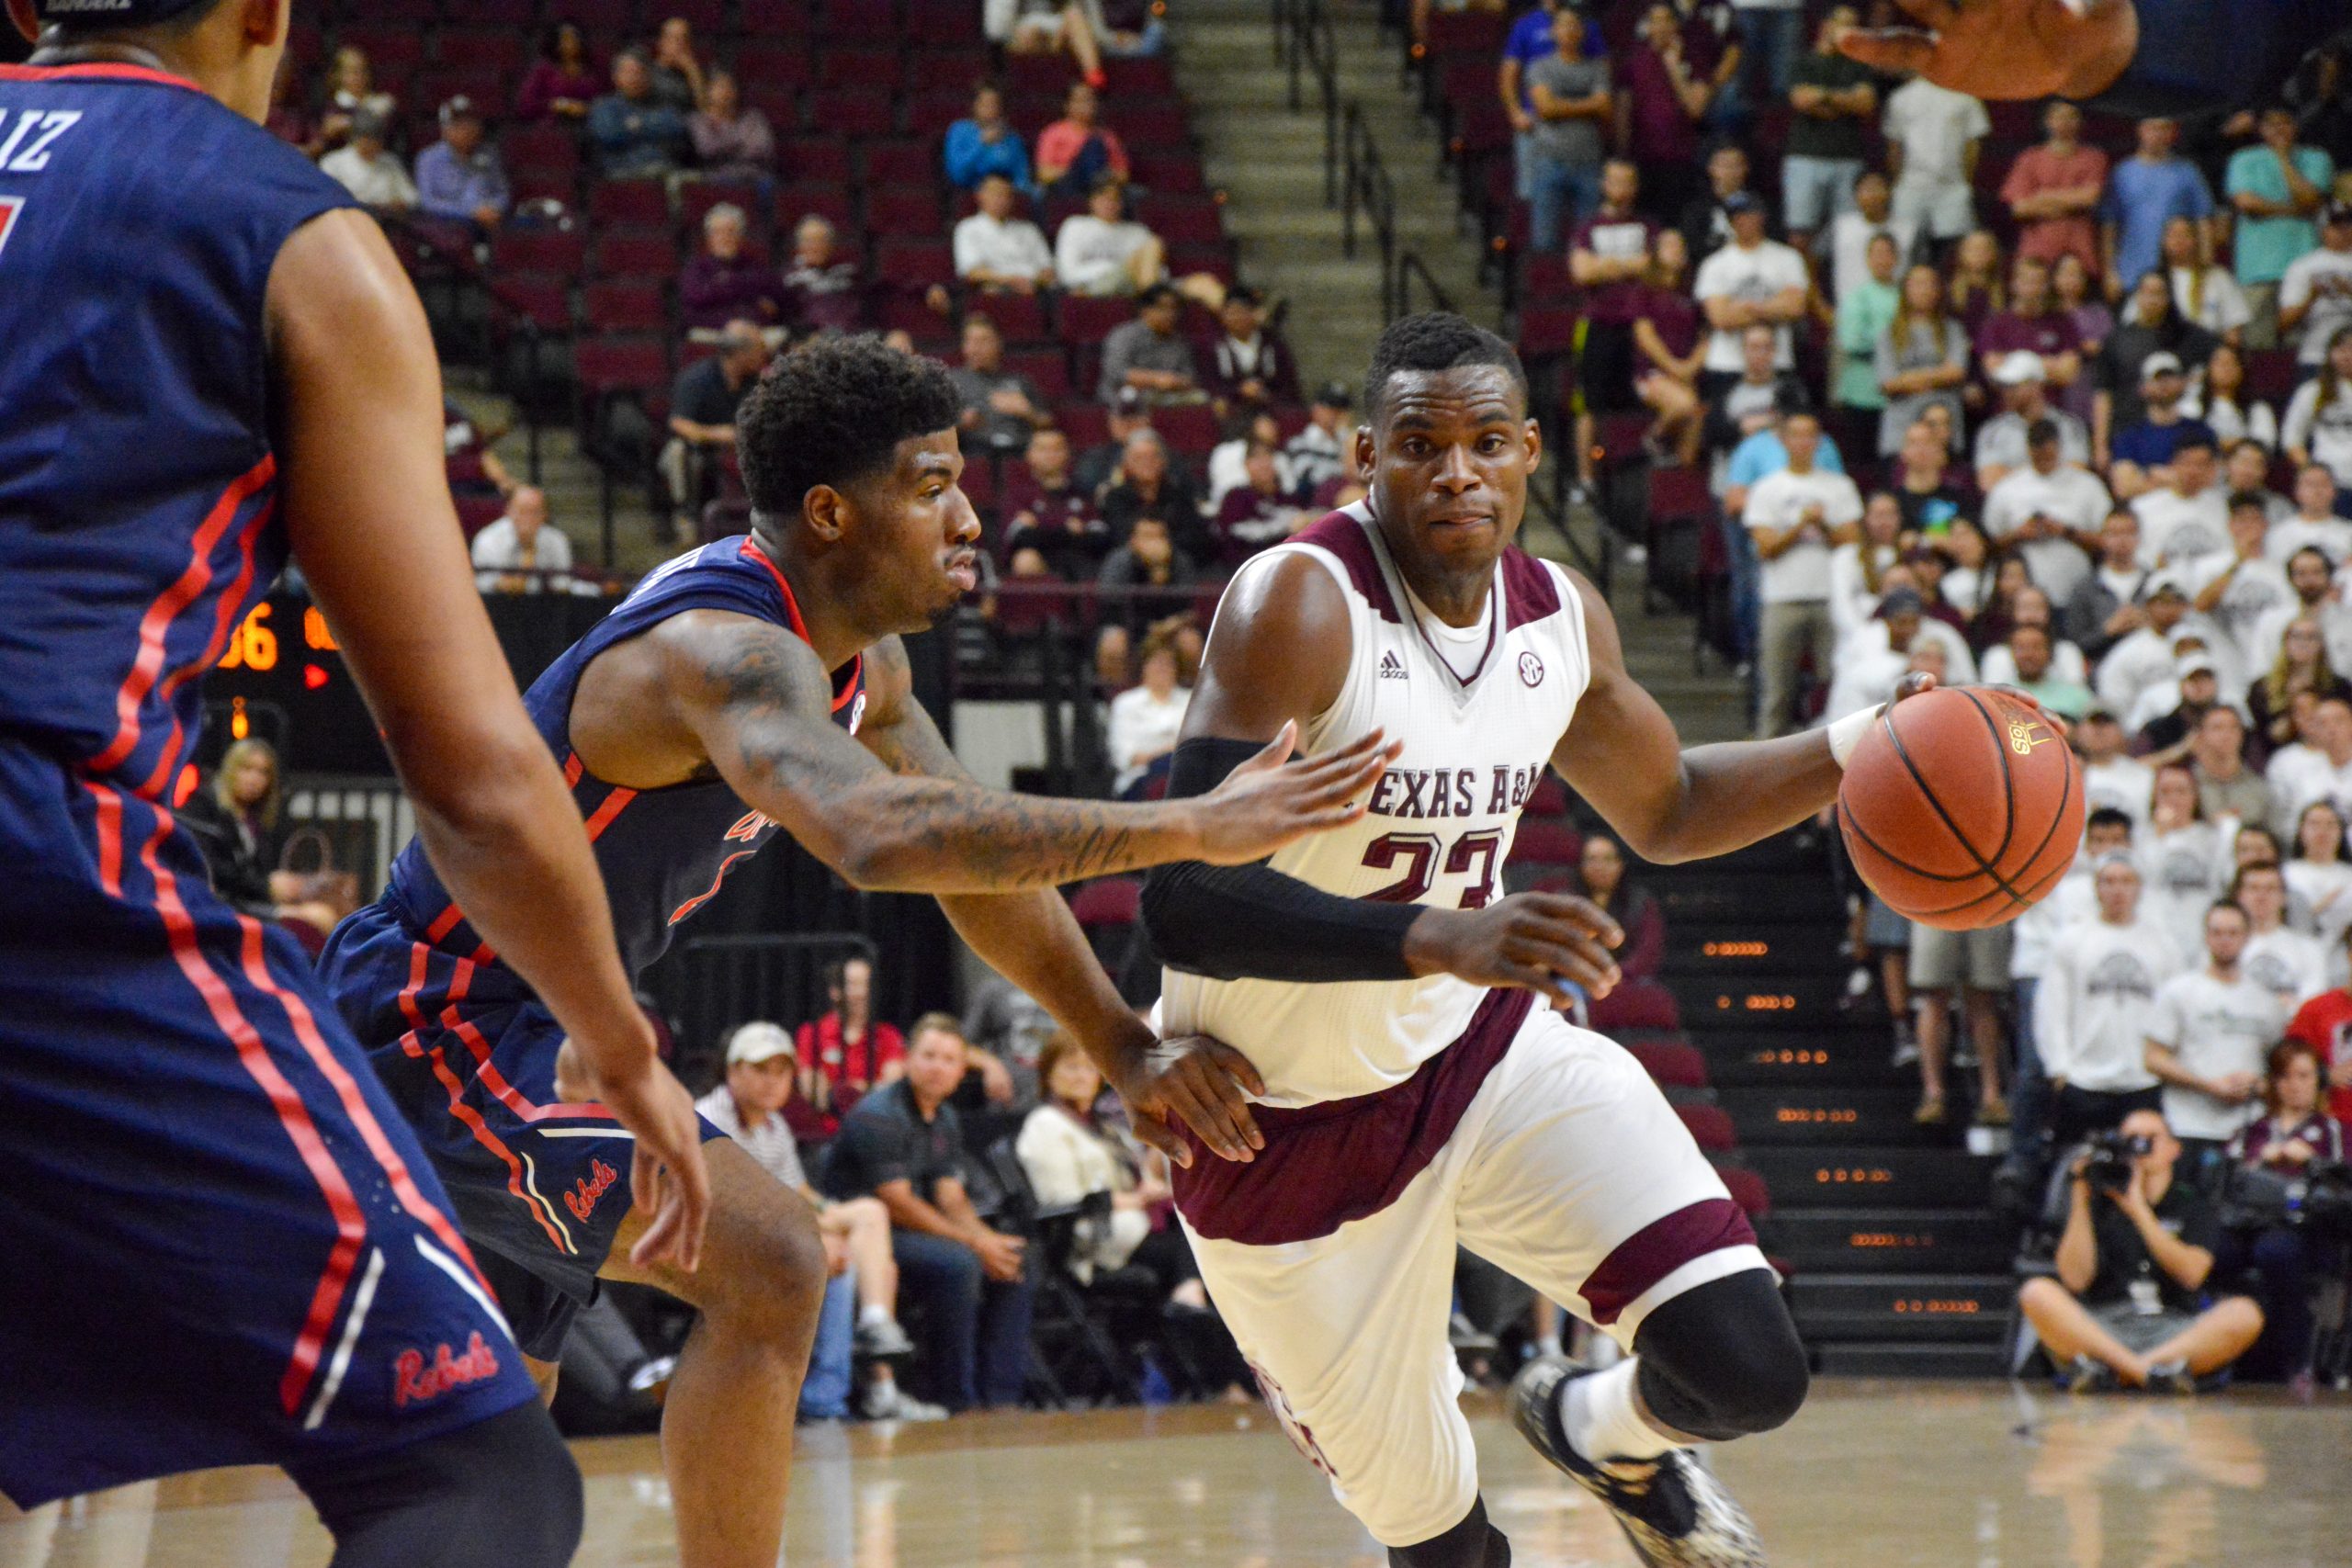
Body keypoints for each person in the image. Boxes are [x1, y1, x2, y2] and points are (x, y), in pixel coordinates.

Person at [322, 337, 1389, 1563]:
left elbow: (962, 856)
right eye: (931, 482)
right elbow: (879, 836)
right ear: (832, 512)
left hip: (536, 1035)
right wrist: (1194, 822)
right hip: (441, 1012)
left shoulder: (860, 668)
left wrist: (1122, 1043)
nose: (968, 512)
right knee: (774, 1259)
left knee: (486, 1480)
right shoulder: (721, 650)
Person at [0, 2, 713, 1557]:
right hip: (39, 856)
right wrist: (619, 1041)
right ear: (266, 12)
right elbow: (467, 769)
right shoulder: (282, 228)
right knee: (474, 1475)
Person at [1137, 312, 2004, 1568]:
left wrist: (1858, 741)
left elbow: (1672, 808)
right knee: (1449, 1554)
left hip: (1475, 1055)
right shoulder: (1301, 604)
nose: (1457, 471)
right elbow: (1182, 895)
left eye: (1488, 441)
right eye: (1422, 443)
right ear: (1363, 453)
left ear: (1531, 452)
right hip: (1272, 1129)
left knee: (1747, 1363)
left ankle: (1602, 1426)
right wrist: (1443, 933)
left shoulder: (1561, 620)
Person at [694, 1022, 940, 1422]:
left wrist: (828, 1217)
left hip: (767, 1227)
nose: (773, 1082)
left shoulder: (774, 1126)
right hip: (715, 1239)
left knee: (868, 1217)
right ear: (732, 1071)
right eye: (761, 1070)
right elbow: (728, 1206)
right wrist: (813, 1237)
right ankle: (838, 1396)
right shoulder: (710, 1118)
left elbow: (799, 1192)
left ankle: (877, 1327)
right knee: (834, 1263)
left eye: (782, 1072)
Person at [820, 1018, 1034, 1412]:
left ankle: (1001, 1395)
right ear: (907, 1060)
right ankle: (954, 1396)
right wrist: (974, 1244)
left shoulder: (945, 1117)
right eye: (929, 1056)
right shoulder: (878, 1114)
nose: (938, 1067)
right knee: (960, 1264)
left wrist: (988, 1240)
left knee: (1018, 1257)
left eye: (949, 1059)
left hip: (913, 1227)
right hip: (866, 1234)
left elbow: (950, 1198)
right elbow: (898, 1203)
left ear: (960, 1071)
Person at [2015, 1108, 2264, 1393]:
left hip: (2173, 1329)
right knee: (2036, 1292)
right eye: (2131, 1140)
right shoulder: (2097, 1200)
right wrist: (2080, 1200)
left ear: (2174, 1149)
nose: (2141, 1148)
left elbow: (2192, 1275)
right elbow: (2075, 1279)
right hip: (2104, 1327)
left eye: (2151, 1139)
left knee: (2245, 1313)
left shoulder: (2194, 1204)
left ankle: (2117, 1372)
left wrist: (2138, 1210)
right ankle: (2150, 1374)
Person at [2216, 1039, 2341, 1393]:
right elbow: (2229, 1178)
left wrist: (2312, 1162)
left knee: (2276, 1253)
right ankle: (2217, 1350)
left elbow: (2342, 1186)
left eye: (2303, 1075)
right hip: (2249, 1220)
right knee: (2212, 1252)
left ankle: (2295, 1359)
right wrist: (2261, 1162)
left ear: (2318, 1080)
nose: (2295, 1085)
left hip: (2302, 1224)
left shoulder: (2331, 1132)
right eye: (2285, 1076)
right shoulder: (2252, 1131)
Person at [2037, 850, 2177, 1147]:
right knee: (2076, 1170)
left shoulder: (2162, 944)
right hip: (2084, 1080)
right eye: (2109, 881)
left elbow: (2175, 1011)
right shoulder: (2072, 940)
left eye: (2126, 881)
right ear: (2096, 888)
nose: (2117, 889)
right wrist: (2059, 1069)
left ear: (2139, 887)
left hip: (2143, 1081)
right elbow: (2052, 1007)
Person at [2143, 900, 2287, 1174]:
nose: (2224, 940)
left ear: (2247, 936)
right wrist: (2208, 1085)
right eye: (2217, 932)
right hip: (2187, 1124)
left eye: (2233, 933)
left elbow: (2280, 1069)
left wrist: (2257, 1085)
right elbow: (2152, 1058)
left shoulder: (2267, 1002)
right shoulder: (2179, 991)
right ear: (2206, 936)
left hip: (2248, 1128)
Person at [1747, 411, 1864, 736]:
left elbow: (1852, 539)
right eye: (1795, 435)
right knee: (1776, 691)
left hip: (1832, 598)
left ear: (1819, 441)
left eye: (1809, 435)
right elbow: (1765, 547)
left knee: (1834, 687)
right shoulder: (1767, 488)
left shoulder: (1839, 486)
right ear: (1784, 441)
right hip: (1781, 598)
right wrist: (1801, 524)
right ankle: (1765, 762)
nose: (1803, 442)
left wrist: (1822, 524)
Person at [177, 736, 348, 937]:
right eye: (246, 769)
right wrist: (267, 886)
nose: (254, 779)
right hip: (218, 905)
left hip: (247, 901)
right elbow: (213, 869)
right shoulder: (202, 807)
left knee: (326, 915)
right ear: (231, 770)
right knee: (318, 918)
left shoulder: (255, 818)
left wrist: (280, 885)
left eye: (263, 772)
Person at [2225, 105, 2335, 347]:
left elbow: (2309, 200)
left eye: (2284, 123)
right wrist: (2294, 211)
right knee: (2258, 344)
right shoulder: (2244, 159)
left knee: (2305, 344)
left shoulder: (2317, 158)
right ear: (2261, 129)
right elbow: (2247, 203)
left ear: (2295, 126)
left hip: (2304, 265)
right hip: (2257, 269)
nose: (2278, 130)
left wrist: (2284, 158)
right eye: (2271, 125)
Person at [661, 321, 769, 540]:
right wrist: (719, 434)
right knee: (677, 453)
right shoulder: (696, 378)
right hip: (699, 449)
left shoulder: (757, 382)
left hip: (743, 447)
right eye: (759, 349)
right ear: (740, 353)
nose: (764, 355)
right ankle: (685, 518)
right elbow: (679, 423)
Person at [1780, 6, 1874, 254]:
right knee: (1800, 234)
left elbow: (1865, 103)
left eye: (1854, 26)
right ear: (1825, 26)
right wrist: (1844, 100)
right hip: (1805, 156)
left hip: (1847, 158)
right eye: (1843, 24)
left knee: (1847, 234)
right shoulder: (1803, 61)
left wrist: (1822, 97)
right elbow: (1800, 99)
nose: (1848, 32)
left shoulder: (1860, 66)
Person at [1692, 191, 1808, 389]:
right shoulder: (1714, 264)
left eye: (1749, 214)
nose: (1743, 221)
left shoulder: (1788, 258)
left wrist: (1746, 307)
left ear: (1761, 216)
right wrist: (1774, 308)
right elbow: (1720, 318)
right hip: (1727, 364)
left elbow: (1795, 308)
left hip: (1777, 361)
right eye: (1736, 216)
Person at [1522, 7, 1613, 254]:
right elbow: (1545, 108)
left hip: (1589, 161)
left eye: (1575, 25)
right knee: (1544, 242)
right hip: (1550, 160)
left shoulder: (1597, 67)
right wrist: (1587, 104)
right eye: (1564, 25)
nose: (1570, 30)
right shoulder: (1539, 67)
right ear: (1554, 31)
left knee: (1589, 243)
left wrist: (1562, 105)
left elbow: (1605, 107)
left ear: (1582, 31)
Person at [2100, 118, 2217, 303]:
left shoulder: (2187, 171)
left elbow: (2203, 220)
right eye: (2153, 128)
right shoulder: (2122, 173)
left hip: (2179, 275)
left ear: (2172, 134)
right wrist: (2110, 272)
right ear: (2140, 131)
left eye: (2164, 129)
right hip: (2131, 274)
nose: (2158, 134)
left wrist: (2206, 267)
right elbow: (2109, 225)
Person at [793, 954, 906, 1137]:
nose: (862, 993)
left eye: (867, 984)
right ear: (835, 990)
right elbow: (816, 1096)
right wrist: (870, 1089)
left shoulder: (889, 1036)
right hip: (826, 1137)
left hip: (878, 1134)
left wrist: (841, 1092)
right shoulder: (811, 1033)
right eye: (853, 984)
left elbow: (891, 1095)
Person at [2002, 99, 2109, 277]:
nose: (2065, 122)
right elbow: (2019, 208)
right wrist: (2072, 204)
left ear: (2081, 122)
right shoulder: (2029, 158)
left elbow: (2090, 199)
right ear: (2047, 121)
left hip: (2079, 252)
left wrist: (2043, 195)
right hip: (2036, 253)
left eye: (2071, 116)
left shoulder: (2094, 158)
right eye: (2059, 116)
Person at [1882, 69, 1987, 248]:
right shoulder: (1901, 97)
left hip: (1952, 186)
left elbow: (1973, 145)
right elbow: (1894, 147)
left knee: (1954, 249)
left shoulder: (1965, 96)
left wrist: (1964, 181)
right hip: (1911, 185)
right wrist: (1898, 181)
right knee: (1904, 246)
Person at [1875, 263, 1969, 459]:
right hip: (1900, 432)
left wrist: (1910, 379)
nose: (1924, 290)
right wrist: (1937, 376)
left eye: (1930, 284)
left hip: (1946, 431)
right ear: (1905, 290)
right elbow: (1889, 382)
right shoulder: (1888, 334)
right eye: (1917, 284)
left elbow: (1956, 372)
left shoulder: (1953, 330)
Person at [1002, 425, 1112, 580]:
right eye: (1043, 449)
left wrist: (1039, 525)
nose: (1050, 455)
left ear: (1068, 454)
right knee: (1026, 559)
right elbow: (1022, 538)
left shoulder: (1083, 493)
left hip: (1079, 565)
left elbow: (1100, 538)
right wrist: (1069, 529)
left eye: (1057, 449)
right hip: (1042, 565)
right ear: (1030, 454)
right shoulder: (1018, 494)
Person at [948, 313, 1047, 457]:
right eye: (971, 341)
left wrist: (1028, 412)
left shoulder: (1019, 381)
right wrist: (960, 423)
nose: (977, 348)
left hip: (1019, 452)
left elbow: (1047, 424)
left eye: (983, 341)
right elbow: (930, 433)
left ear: (997, 343)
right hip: (975, 454)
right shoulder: (950, 382)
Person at [2230, 861, 2327, 1006]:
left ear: (2284, 897)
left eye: (2270, 889)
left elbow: (2313, 1003)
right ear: (2239, 896)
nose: (2261, 896)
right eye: (2253, 888)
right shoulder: (2224, 945)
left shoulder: (2309, 948)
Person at [1108, 630, 1192, 797]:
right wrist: (1167, 752)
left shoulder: (1191, 700)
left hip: (1185, 778)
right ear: (1144, 667)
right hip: (1140, 781)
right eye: (1156, 663)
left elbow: (1197, 747)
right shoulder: (1125, 703)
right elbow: (1126, 758)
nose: (1162, 669)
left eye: (1168, 663)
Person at [1054, 174, 1164, 299]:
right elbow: (1067, 273)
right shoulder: (1075, 225)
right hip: (1093, 285)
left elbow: (1158, 273)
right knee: (1153, 245)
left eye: (1115, 198)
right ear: (1091, 200)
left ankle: (1151, 302)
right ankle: (1152, 303)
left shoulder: (1138, 231)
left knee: (1156, 244)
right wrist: (1113, 270)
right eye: (1103, 197)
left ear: (1123, 203)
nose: (1109, 203)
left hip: (1134, 286)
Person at [680, 203, 782, 338]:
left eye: (731, 232)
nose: (724, 238)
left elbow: (774, 299)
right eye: (718, 232)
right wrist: (747, 293)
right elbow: (695, 303)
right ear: (709, 238)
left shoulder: (755, 266)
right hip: (712, 331)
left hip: (753, 329)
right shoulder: (696, 269)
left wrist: (724, 285)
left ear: (741, 237)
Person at [413, 96, 508, 237]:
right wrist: (470, 212)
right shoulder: (428, 158)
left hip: (488, 222)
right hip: (449, 226)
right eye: (458, 124)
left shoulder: (489, 154)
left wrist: (493, 209)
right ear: (445, 130)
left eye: (471, 122)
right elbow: (428, 202)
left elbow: (502, 192)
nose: (467, 129)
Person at [587, 51, 689, 180]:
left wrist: (638, 124)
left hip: (665, 171)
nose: (635, 78)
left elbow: (676, 128)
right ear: (616, 77)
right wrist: (653, 125)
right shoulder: (604, 107)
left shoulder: (663, 104)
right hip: (622, 174)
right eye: (629, 72)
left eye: (640, 72)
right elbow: (610, 134)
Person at [1098, 284, 1204, 407]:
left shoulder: (1179, 342)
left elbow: (1189, 377)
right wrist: (1155, 379)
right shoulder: (1124, 335)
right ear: (1145, 310)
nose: (1170, 314)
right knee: (1129, 395)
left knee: (1201, 399)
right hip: (1124, 398)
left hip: (1167, 397)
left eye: (1174, 309)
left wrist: (1176, 382)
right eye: (1163, 308)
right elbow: (1115, 372)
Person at [2278, 203, 2352, 371]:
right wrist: (2312, 296)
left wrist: (2347, 291)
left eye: (2348, 224)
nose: (2344, 230)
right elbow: (2283, 323)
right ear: (2323, 229)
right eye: (2337, 226)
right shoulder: (2304, 266)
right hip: (2315, 356)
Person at [953, 173, 1055, 296]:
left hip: (1035, 289)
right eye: (996, 194)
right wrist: (1011, 281)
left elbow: (1047, 269)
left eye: (1007, 195)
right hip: (997, 289)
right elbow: (972, 272)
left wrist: (1034, 282)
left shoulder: (1029, 229)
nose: (1001, 200)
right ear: (980, 196)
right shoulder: (968, 228)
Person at [1204, 287, 1302, 412]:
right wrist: (1239, 391)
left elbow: (1289, 386)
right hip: (1233, 413)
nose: (1236, 318)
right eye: (1231, 313)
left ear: (1253, 313)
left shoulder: (1272, 344)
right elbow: (1210, 386)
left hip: (1270, 411)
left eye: (1241, 312)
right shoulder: (1213, 347)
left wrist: (1265, 396)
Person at [2281, 324, 2352, 491]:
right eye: (2341, 349)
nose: (2347, 355)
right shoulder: (2312, 391)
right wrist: (2312, 471)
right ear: (2330, 354)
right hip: (2329, 484)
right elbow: (2291, 438)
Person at [470, 485, 575, 596]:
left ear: (545, 515)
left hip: (545, 607)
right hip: (498, 607)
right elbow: (489, 587)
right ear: (508, 511)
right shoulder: (488, 539)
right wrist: (528, 551)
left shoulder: (557, 540)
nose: (527, 518)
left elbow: (563, 587)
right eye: (522, 511)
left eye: (535, 512)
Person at [2159, 215, 2249, 344]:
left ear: (2196, 240)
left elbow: (2234, 329)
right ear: (2163, 242)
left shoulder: (2218, 277)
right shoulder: (2156, 279)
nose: (2179, 240)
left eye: (2185, 234)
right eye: (2173, 235)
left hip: (2211, 351)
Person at [1035, 80, 1129, 197]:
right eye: (1081, 100)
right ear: (1067, 105)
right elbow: (1044, 173)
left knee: (1096, 146)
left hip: (1101, 189)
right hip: (1067, 185)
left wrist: (1104, 173)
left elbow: (1123, 175)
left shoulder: (1107, 136)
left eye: (1090, 100)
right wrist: (1078, 170)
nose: (1087, 104)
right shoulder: (1053, 133)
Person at [779, 215, 867, 336]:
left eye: (822, 241)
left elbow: (866, 310)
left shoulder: (850, 273)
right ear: (799, 246)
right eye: (809, 242)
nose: (815, 247)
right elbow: (786, 319)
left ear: (832, 245)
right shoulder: (788, 279)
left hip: (852, 336)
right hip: (809, 339)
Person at [2181, 344, 2278, 453]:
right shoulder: (2192, 405)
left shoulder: (2257, 408)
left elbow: (2264, 444)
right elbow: (2187, 442)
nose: (2226, 368)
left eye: (2232, 363)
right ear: (2207, 369)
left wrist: (2226, 445)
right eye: (2219, 363)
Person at [944, 81, 1034, 196]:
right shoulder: (960, 130)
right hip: (970, 192)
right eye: (985, 104)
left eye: (994, 104)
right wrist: (981, 144)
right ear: (975, 105)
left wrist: (1009, 190)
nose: (990, 109)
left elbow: (1021, 176)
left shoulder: (1011, 137)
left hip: (1005, 194)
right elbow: (958, 174)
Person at [318, 107, 415, 211]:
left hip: (389, 218)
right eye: (367, 141)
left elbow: (411, 197)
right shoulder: (332, 162)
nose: (372, 146)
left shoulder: (390, 162)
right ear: (355, 139)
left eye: (376, 141)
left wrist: (400, 203)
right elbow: (328, 199)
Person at [685, 71, 775, 184]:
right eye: (721, 87)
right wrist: (740, 144)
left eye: (730, 87)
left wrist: (727, 147)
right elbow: (706, 148)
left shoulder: (753, 118)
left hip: (754, 175)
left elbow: (762, 149)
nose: (726, 92)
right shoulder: (697, 120)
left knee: (769, 184)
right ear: (709, 91)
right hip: (718, 175)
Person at [2191, 704, 2271, 827]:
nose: (2226, 735)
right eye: (2217, 728)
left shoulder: (2257, 786)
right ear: (2201, 735)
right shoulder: (2188, 783)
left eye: (2234, 728)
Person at [2286, 798, 2352, 942]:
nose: (2322, 832)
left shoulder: (2349, 875)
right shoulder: (2286, 874)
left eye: (2330, 825)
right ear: (2301, 831)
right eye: (2314, 824)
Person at [517, 20, 599, 122]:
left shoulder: (592, 68)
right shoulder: (543, 70)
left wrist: (587, 108)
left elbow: (604, 100)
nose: (573, 42)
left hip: (589, 125)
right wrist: (560, 105)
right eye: (566, 39)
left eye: (576, 38)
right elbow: (526, 105)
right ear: (557, 43)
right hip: (554, 126)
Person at [647, 15, 708, 115]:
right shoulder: (647, 73)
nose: (680, 44)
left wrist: (693, 73)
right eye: (674, 38)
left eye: (684, 39)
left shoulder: (697, 75)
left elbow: (707, 113)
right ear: (661, 42)